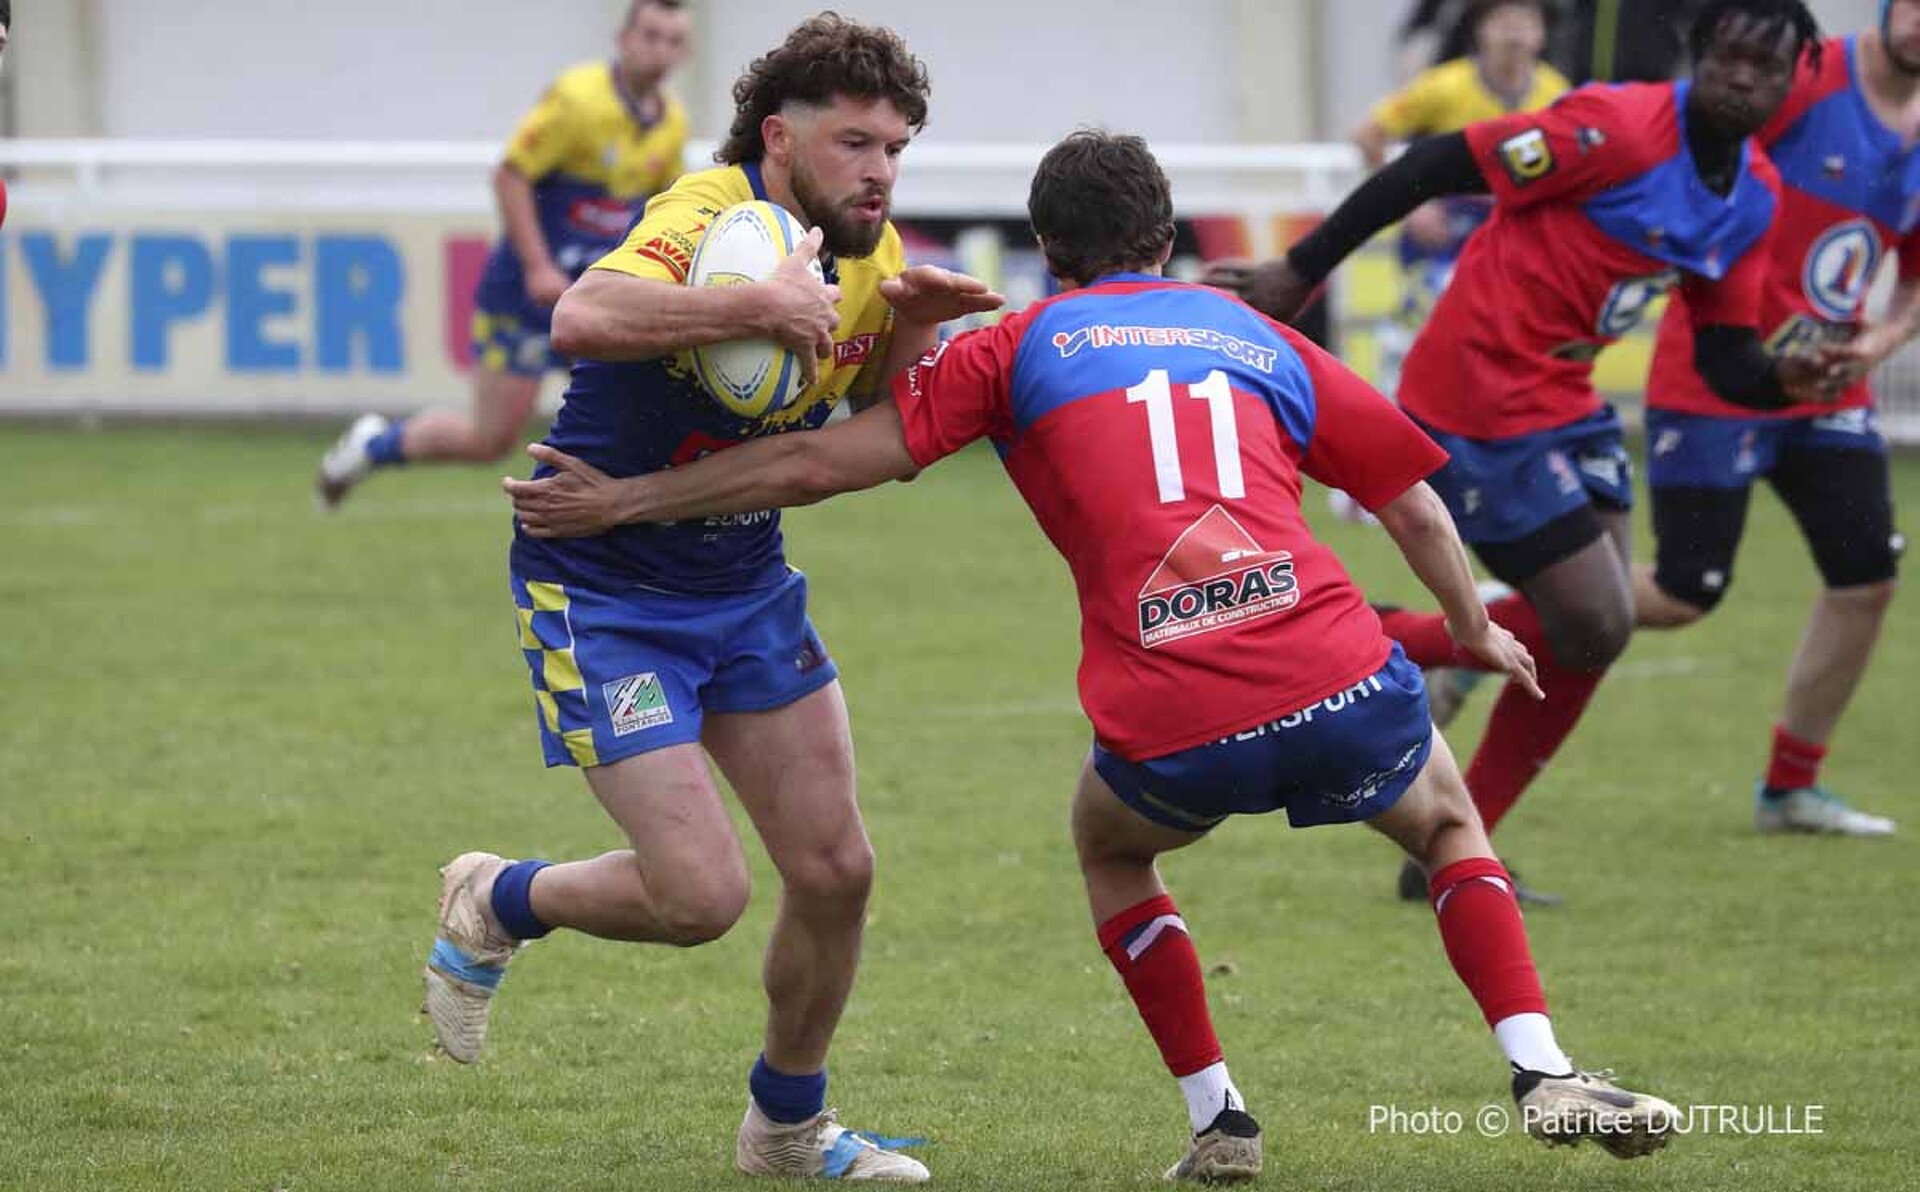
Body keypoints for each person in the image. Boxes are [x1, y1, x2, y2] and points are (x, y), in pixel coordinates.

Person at [506, 129, 1680, 1183]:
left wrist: (631, 499)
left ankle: (1219, 1117)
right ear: (1165, 240)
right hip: (1334, 673)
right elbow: (1414, 503)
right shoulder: (1255, 333)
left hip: (1172, 718)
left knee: (1113, 849)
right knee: (1449, 824)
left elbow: (813, 464)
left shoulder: (1014, 348)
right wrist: (1469, 627)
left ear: (1048, 252)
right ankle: (1542, 1067)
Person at [422, 14, 1001, 1182]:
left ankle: (786, 1127)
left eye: (896, 148)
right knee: (700, 897)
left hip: (743, 583)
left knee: (837, 871)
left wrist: (911, 327)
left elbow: (857, 425)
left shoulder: (871, 249)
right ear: (780, 139)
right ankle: (499, 895)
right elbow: (580, 316)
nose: (881, 172)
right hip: (602, 588)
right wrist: (749, 308)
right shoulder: (704, 214)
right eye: (855, 144)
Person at [1205, 0, 1830, 903]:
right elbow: (1436, 161)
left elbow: (1727, 356)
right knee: (1597, 624)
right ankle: (1386, 643)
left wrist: (1786, 381)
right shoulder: (1614, 127)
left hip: (1565, 403)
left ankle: (1452, 844)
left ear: (1792, 80)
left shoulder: (1753, 197)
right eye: (1728, 54)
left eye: (1764, 66)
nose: (1742, 76)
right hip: (1476, 394)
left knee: (1595, 633)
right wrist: (1303, 267)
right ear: (1698, 53)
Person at [1633, 1, 1919, 836]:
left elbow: (1912, 273)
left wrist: (1883, 337)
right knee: (1684, 592)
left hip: (1827, 384)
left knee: (1866, 578)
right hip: (1720, 366)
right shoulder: (1808, 74)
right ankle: (1500, 610)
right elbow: (1699, 144)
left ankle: (1790, 788)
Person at [315, 0, 693, 508]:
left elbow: (659, 209)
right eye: (650, 36)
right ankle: (372, 447)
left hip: (593, 299)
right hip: (527, 295)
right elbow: (511, 176)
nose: (660, 51)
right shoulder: (578, 100)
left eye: (673, 41)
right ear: (623, 39)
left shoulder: (672, 123)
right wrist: (538, 266)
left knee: (639, 415)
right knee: (488, 439)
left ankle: (621, 526)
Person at [1339, 0, 1568, 529]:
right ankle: (1371, 479)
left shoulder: (1556, 92)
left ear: (1541, 34)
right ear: (1481, 30)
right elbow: (1368, 133)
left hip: (1511, 241)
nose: (1515, 33)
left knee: (1509, 356)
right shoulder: (1446, 86)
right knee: (1415, 350)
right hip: (1442, 241)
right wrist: (1413, 205)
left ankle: (1489, 473)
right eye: (1504, 21)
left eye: (1526, 21)